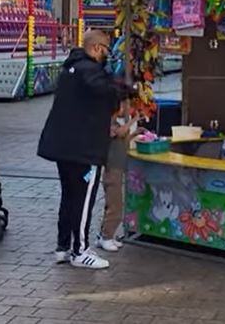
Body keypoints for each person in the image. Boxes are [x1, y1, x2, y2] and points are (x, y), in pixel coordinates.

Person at [38, 30, 120, 270]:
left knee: (69, 196)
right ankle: (80, 250)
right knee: (83, 199)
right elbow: (107, 95)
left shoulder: (69, 69)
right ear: (95, 48)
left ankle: (63, 247)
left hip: (63, 146)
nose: (107, 54)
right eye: (106, 49)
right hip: (85, 148)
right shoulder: (92, 71)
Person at [97, 100, 142, 252]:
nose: (126, 110)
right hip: (112, 170)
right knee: (115, 206)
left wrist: (134, 133)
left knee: (112, 204)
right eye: (124, 106)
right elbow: (120, 133)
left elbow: (123, 140)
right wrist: (134, 120)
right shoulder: (109, 123)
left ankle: (105, 235)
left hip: (118, 169)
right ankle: (106, 237)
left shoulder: (116, 123)